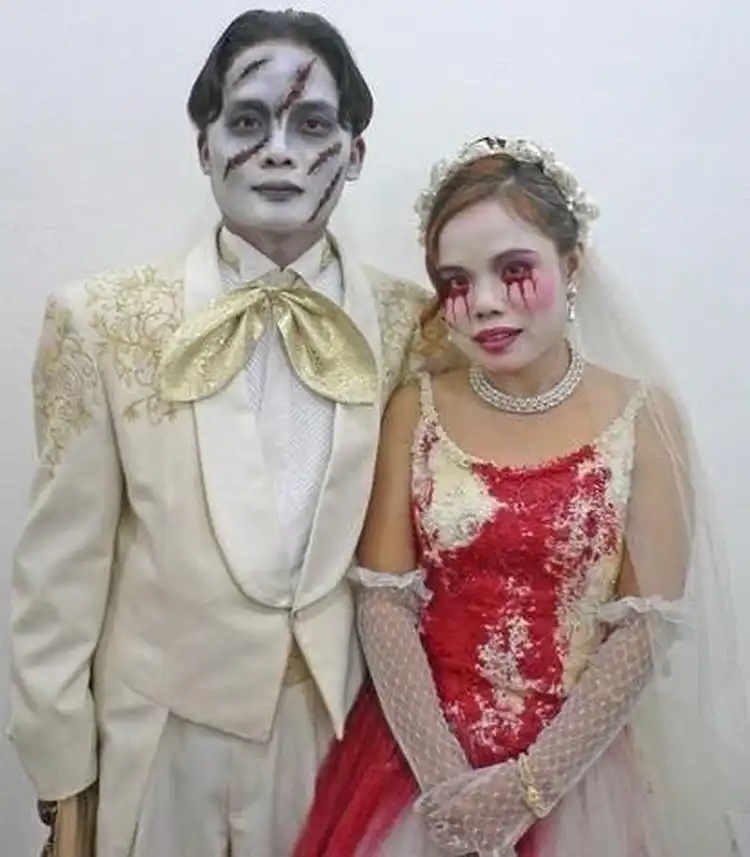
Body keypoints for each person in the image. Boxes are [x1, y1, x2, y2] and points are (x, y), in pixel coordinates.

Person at [7, 9, 455, 857]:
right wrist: (63, 778)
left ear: (355, 152)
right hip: (162, 743)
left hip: (345, 739)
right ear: (203, 146)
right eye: (248, 121)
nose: (278, 150)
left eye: (311, 124)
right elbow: (58, 574)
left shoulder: (414, 324)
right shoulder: (101, 320)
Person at [292, 135, 749, 856]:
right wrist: (450, 790)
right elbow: (383, 603)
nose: (484, 303)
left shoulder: (644, 418)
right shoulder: (414, 409)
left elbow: (643, 629)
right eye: (455, 281)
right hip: (416, 764)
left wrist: (526, 789)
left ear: (572, 265)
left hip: (581, 774)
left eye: (514, 271)